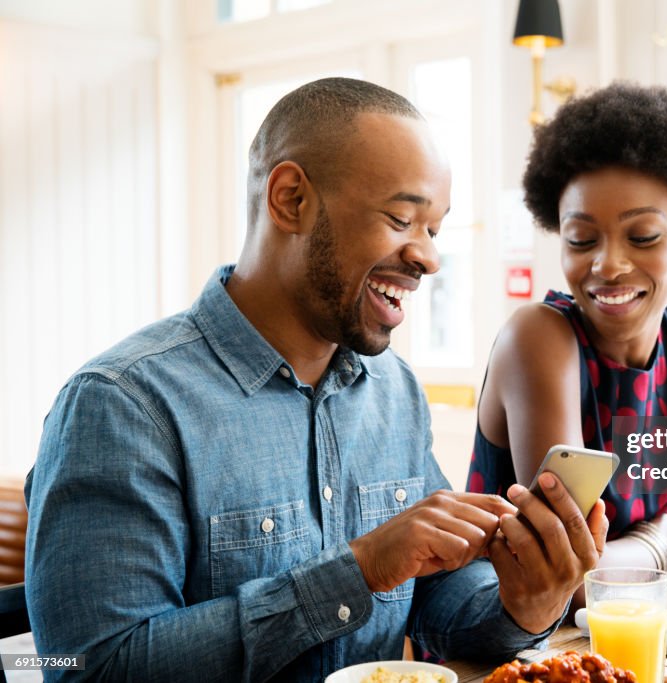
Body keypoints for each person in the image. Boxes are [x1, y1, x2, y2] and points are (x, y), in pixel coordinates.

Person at [24, 78, 607, 682]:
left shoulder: (393, 391)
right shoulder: (123, 406)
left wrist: (526, 604)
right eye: (402, 218)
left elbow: (441, 603)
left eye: (434, 230)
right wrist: (356, 572)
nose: (429, 257)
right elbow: (88, 670)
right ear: (290, 199)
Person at [467, 82, 667, 589]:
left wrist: (641, 562)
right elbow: (561, 573)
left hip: (628, 623)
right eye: (581, 239)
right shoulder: (539, 338)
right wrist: (664, 538)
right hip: (502, 644)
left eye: (643, 237)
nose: (607, 264)